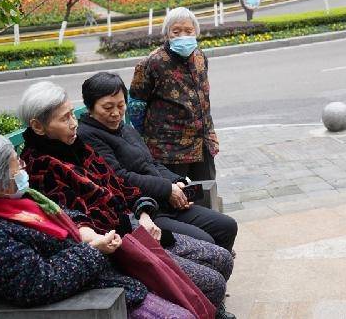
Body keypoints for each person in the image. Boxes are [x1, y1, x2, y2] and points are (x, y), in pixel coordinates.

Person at [17, 81, 235, 318]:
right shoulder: (41, 170)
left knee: (221, 257)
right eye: (65, 118)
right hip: (118, 248)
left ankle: (209, 309)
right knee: (212, 280)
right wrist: (136, 223)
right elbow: (83, 224)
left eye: (72, 114)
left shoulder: (77, 146)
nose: (73, 123)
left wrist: (143, 213)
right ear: (38, 126)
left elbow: (120, 185)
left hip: (138, 225)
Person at [0, 133, 192, 317]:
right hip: (91, 298)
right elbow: (39, 283)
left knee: (194, 290)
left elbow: (64, 214)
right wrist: (94, 250)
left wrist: (86, 232)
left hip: (103, 274)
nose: (22, 167)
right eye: (15, 165)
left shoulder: (7, 202)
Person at [79, 72, 237, 251]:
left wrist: (178, 181)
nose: (116, 113)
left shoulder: (125, 129)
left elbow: (151, 162)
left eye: (121, 105)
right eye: (107, 108)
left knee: (227, 226)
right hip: (144, 210)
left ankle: (218, 274)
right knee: (205, 241)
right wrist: (167, 188)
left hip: (166, 202)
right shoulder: (88, 136)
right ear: (90, 107)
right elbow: (119, 177)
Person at [129, 7, 219, 181]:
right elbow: (136, 104)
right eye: (176, 32)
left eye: (188, 31)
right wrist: (148, 136)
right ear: (167, 34)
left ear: (196, 32)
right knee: (176, 197)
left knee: (207, 192)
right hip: (167, 149)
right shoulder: (153, 62)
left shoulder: (200, 57)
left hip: (202, 143)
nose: (183, 36)